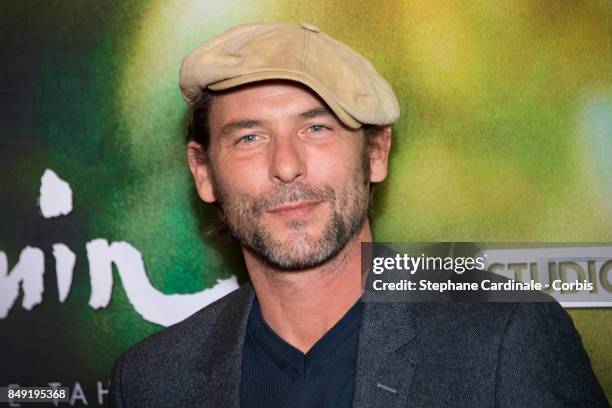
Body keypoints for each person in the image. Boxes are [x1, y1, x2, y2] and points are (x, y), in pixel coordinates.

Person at [109, 22, 609, 407]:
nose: (286, 165)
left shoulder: (505, 339)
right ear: (204, 171)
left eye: (317, 129)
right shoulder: (152, 380)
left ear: (375, 153)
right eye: (249, 137)